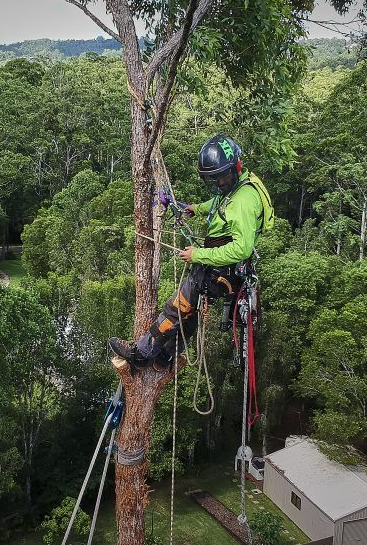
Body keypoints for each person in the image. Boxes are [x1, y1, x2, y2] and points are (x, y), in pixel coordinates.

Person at [109, 134, 274, 369]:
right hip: (221, 268)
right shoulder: (239, 185)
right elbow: (220, 203)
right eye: (214, 179)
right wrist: (194, 209)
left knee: (177, 308)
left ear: (235, 167)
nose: (219, 183)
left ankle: (141, 354)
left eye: (222, 177)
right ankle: (166, 356)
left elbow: (241, 248)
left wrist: (198, 255)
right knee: (190, 312)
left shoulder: (244, 202)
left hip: (219, 269)